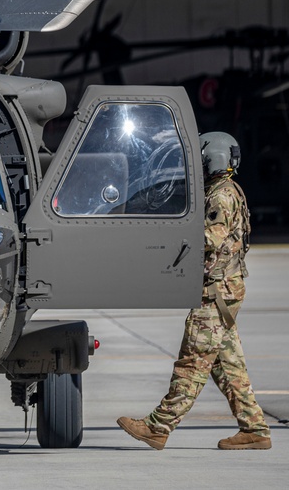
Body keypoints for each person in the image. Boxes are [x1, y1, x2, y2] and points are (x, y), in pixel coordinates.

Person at [117, 131, 271, 451]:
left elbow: (209, 239)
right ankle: (254, 428)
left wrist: (169, 242)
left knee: (193, 361)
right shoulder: (225, 190)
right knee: (228, 364)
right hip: (226, 290)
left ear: (210, 159)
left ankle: (158, 426)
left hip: (216, 294)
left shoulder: (221, 196)